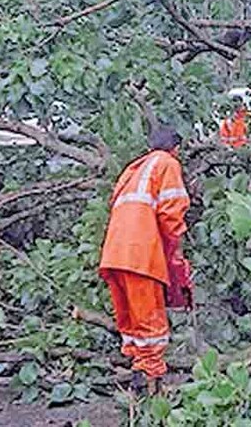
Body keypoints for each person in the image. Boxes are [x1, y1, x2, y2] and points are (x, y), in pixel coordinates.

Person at [100, 126, 193, 395]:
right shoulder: (167, 164)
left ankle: (138, 376)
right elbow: (171, 214)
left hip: (115, 254)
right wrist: (175, 256)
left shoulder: (134, 169)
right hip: (140, 255)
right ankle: (151, 390)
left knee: (132, 326)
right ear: (176, 149)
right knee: (152, 325)